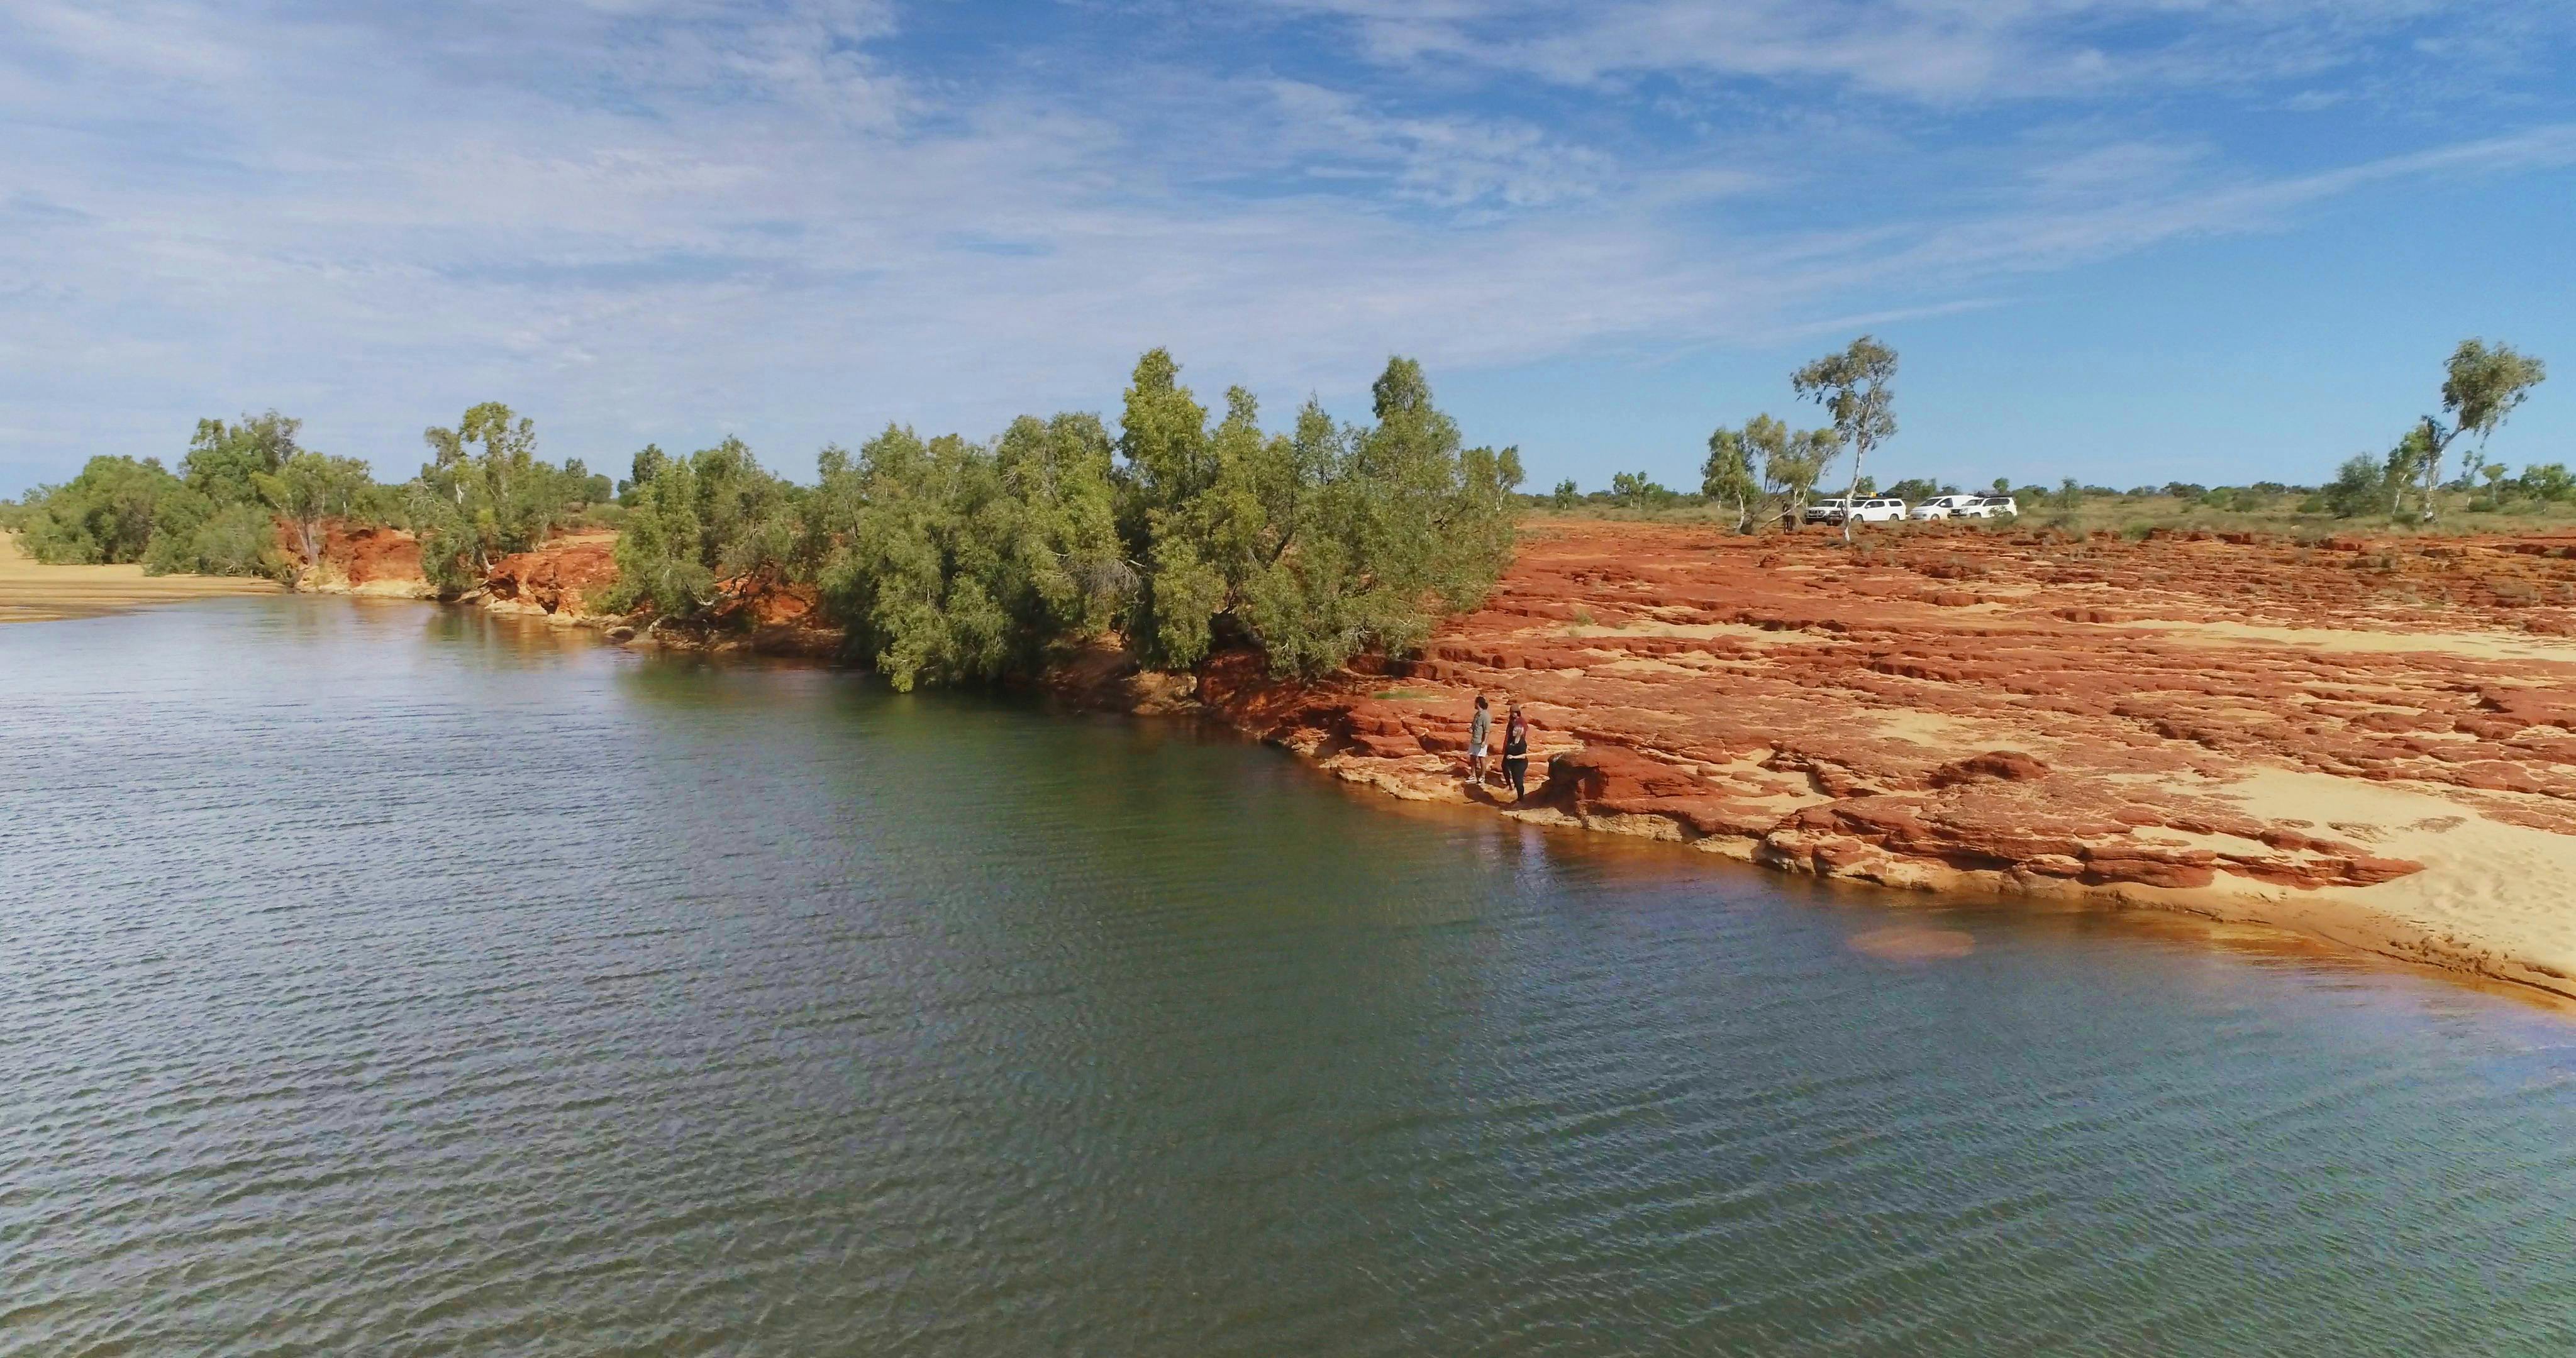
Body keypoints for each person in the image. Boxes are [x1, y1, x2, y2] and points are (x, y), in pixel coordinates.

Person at [1501, 702, 1530, 801]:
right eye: (1512, 712)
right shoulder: (1511, 721)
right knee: (1504, 766)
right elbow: (1508, 733)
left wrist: (1518, 740)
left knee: (1518, 778)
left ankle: (1520, 796)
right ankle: (1509, 785)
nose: (1513, 714)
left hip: (1517, 752)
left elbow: (1523, 731)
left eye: (1514, 712)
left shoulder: (1521, 722)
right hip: (1511, 746)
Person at [1467, 695, 1491, 787]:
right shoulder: (1477, 715)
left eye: (1475, 703)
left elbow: (1487, 730)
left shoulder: (1486, 716)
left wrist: (1484, 741)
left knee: (1481, 758)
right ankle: (1473, 775)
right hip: (1475, 739)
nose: (1474, 704)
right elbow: (1474, 727)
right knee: (1473, 757)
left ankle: (1483, 776)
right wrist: (1470, 729)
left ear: (1478, 704)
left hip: (1481, 741)